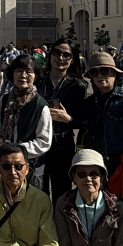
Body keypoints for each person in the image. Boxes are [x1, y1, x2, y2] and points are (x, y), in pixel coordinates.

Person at [76, 52, 123, 214]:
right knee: (94, 212)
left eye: (105, 71)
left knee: (121, 213)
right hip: (94, 170)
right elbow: (82, 135)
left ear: (115, 74)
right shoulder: (87, 104)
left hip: (120, 169)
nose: (100, 76)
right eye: (95, 72)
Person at [37, 39, 88, 200]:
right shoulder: (38, 80)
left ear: (72, 59)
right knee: (38, 192)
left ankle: (60, 225)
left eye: (66, 55)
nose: (60, 58)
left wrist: (68, 118)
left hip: (62, 144)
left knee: (62, 193)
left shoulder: (78, 86)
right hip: (38, 144)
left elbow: (83, 120)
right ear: (50, 54)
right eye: (57, 52)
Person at [0, 54, 52, 189]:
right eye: (19, 71)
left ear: (35, 75)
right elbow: (0, 122)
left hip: (31, 168)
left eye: (28, 72)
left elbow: (44, 141)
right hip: (6, 165)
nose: (23, 75)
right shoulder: (5, 100)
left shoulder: (40, 105)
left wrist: (18, 149)